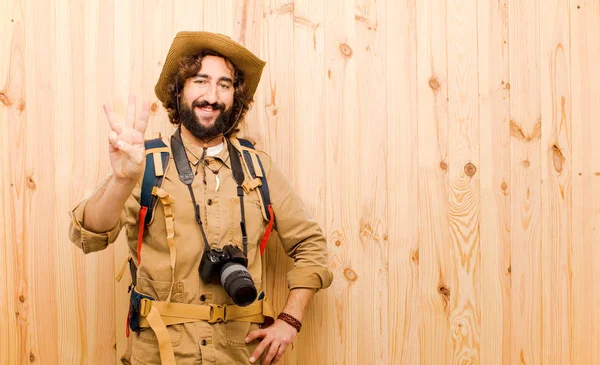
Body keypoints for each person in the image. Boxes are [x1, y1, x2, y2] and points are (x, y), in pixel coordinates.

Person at [68, 31, 333, 365]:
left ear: (235, 98)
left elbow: (312, 246)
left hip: (240, 354)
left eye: (224, 85)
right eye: (200, 81)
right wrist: (122, 181)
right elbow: (87, 235)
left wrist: (290, 320)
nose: (212, 95)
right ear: (178, 90)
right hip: (161, 355)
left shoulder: (258, 168)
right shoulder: (145, 164)